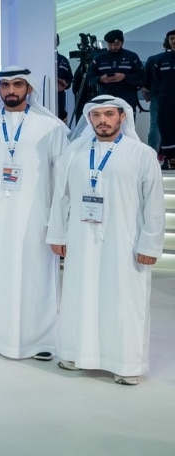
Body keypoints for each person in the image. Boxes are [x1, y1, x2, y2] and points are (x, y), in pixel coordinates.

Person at [47, 96, 163, 385]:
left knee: (124, 300)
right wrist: (58, 234)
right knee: (79, 295)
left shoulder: (142, 154)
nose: (103, 121)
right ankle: (75, 353)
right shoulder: (74, 151)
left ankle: (126, 364)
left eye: (109, 114)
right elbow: (61, 197)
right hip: (81, 239)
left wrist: (149, 244)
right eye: (97, 115)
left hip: (125, 241)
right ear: (89, 119)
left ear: (122, 117)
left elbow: (154, 203)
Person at [0, 67, 68, 361]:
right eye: (6, 85)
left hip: (36, 215)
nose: (11, 90)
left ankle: (40, 341)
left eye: (18, 84)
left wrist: (58, 221)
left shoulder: (51, 127)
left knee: (37, 276)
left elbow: (61, 178)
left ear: (29, 89)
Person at [142, 29, 175, 168]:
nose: (174, 41)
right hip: (162, 100)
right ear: (167, 41)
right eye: (172, 38)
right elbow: (148, 81)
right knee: (157, 128)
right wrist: (148, 91)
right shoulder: (157, 60)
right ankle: (153, 160)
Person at [90, 29, 144, 109]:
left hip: (127, 99)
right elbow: (90, 77)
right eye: (110, 44)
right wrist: (100, 79)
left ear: (122, 42)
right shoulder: (99, 58)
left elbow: (141, 75)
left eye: (116, 44)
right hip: (105, 99)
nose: (113, 47)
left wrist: (125, 77)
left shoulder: (132, 57)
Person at [56, 34, 73, 125]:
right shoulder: (40, 58)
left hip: (60, 98)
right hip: (44, 98)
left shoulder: (63, 60)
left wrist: (65, 84)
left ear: (58, 42)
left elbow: (70, 78)